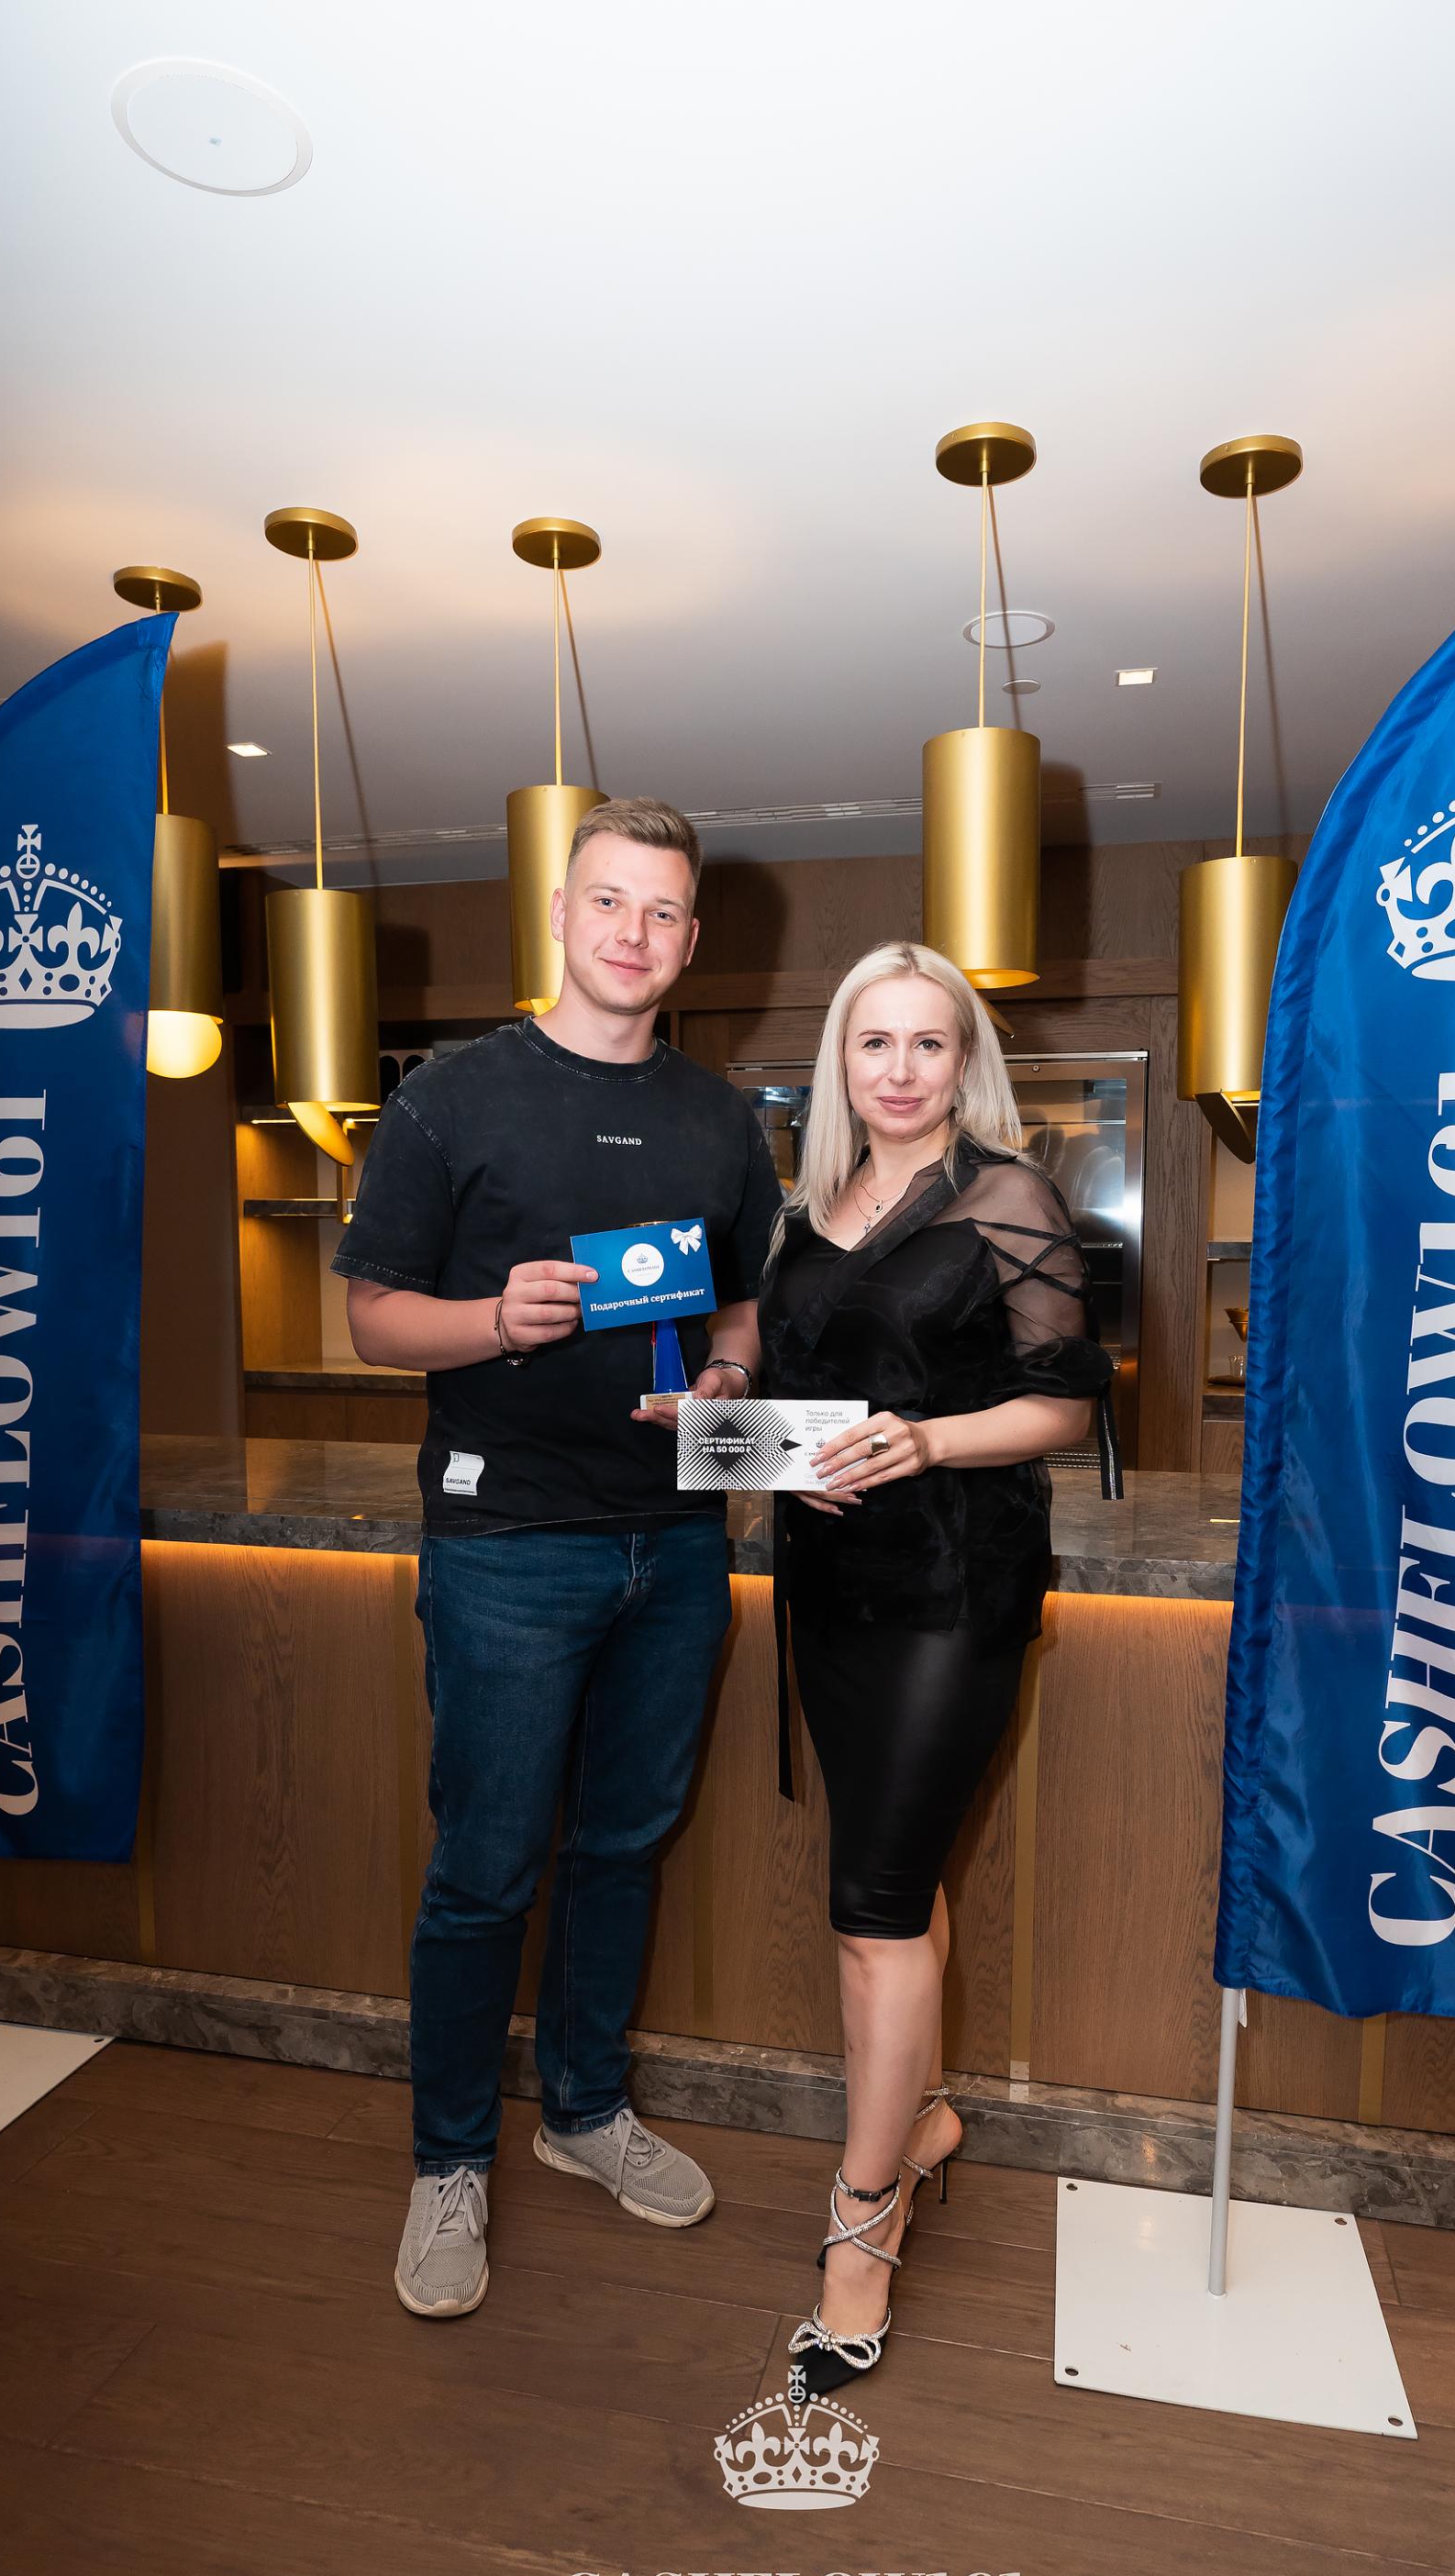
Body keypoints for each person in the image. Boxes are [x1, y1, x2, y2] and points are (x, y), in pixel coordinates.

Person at [333, 798, 783, 2318]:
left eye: (660, 912)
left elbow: (741, 1312)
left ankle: (585, 2112)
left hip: (679, 1538)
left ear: (690, 940)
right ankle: (449, 2163)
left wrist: (730, 1386)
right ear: (559, 912)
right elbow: (370, 1316)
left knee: (624, 1847)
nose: (632, 934)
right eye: (609, 902)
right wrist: (489, 1321)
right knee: (486, 1867)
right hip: (506, 1545)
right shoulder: (450, 1099)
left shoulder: (720, 1118)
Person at [757, 941, 1111, 2400]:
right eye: (873, 1043)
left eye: (927, 1043)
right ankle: (924, 2122)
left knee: (874, 1914)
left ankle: (864, 2224)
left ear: (965, 1062)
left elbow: (1067, 1404)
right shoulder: (806, 1214)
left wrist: (928, 1441)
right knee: (895, 1886)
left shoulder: (1005, 1196)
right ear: (841, 1063)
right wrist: (717, 1429)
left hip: (954, 1591)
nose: (899, 1070)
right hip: (831, 1594)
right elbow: (800, 1410)